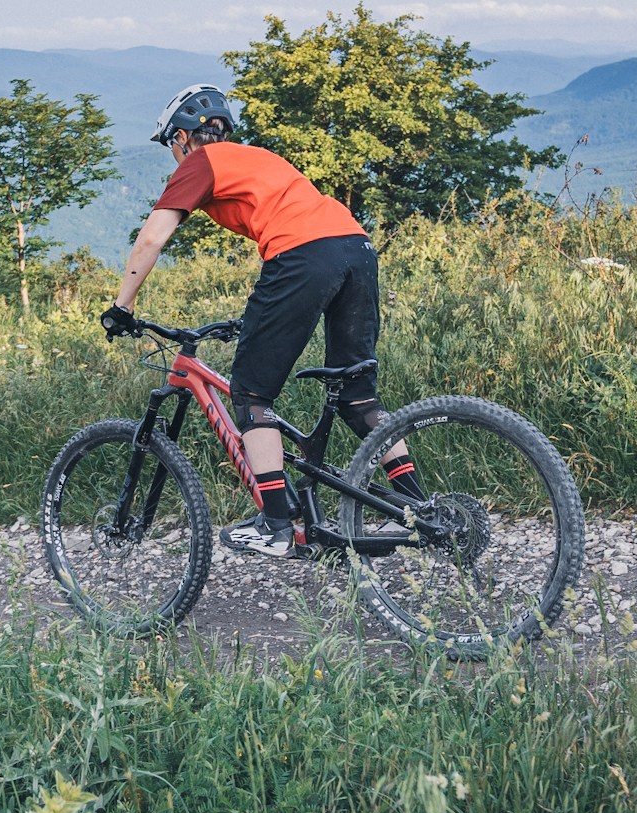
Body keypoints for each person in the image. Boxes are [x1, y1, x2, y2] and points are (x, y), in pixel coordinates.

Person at [100, 83, 424, 558]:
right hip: (357, 248)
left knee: (251, 393)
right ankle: (422, 510)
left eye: (172, 143)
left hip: (304, 255)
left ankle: (276, 523)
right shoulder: (256, 156)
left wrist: (122, 306)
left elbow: (151, 239)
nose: (174, 154)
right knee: (358, 397)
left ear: (185, 136)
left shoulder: (200, 163)